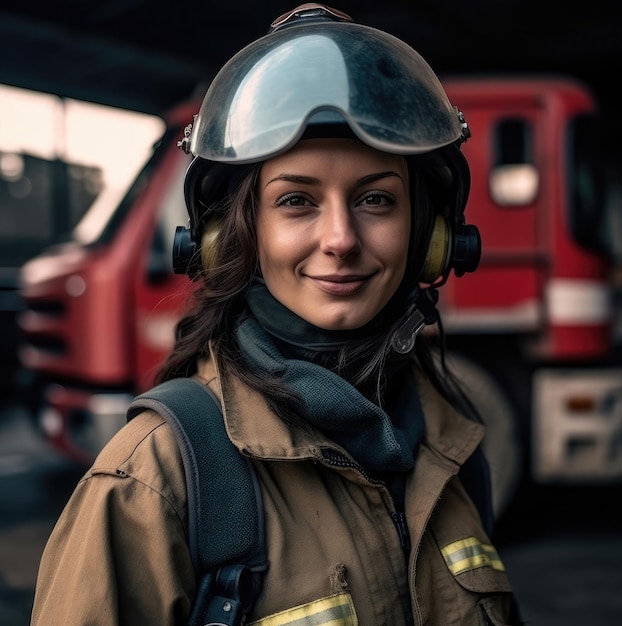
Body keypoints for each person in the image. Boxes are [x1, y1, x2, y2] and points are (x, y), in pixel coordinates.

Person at [31, 4, 523, 625]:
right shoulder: (152, 482)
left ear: (430, 239)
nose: (341, 238)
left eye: (376, 199)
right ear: (232, 239)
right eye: (296, 200)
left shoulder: (452, 444)